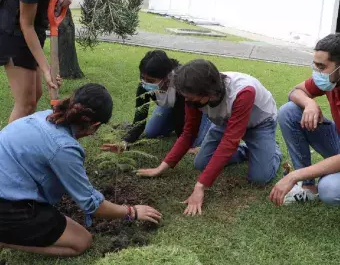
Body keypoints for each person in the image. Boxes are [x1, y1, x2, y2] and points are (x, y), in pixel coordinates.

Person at [0, 83, 161, 257]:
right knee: (81, 241)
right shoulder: (63, 147)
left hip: (7, 186)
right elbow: (92, 205)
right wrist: (132, 212)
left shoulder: (45, 116)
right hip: (7, 206)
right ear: (95, 124)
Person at [137, 59, 282, 215]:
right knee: (201, 163)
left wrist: (200, 186)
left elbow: (230, 141)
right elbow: (189, 132)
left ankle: (274, 151)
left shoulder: (243, 92)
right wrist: (162, 166)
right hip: (224, 121)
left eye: (192, 99)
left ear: (209, 93)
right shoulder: (192, 93)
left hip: (259, 123)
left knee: (259, 178)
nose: (187, 101)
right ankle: (247, 151)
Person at [0, 0, 83, 123]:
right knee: (26, 103)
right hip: (13, 34)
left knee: (34, 97)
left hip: (30, 34)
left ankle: (19, 146)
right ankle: (6, 151)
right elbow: (25, 23)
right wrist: (47, 69)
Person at [270, 34, 340, 206]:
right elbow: (295, 92)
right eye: (315, 64)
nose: (316, 71)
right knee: (289, 112)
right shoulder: (333, 79)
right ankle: (307, 188)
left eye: (321, 66)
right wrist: (309, 103)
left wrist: (296, 174)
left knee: (330, 189)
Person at [101, 50, 212, 153]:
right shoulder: (144, 86)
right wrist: (125, 142)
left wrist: (184, 143)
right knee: (151, 132)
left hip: (198, 108)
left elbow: (181, 114)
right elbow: (140, 118)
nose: (145, 82)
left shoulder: (182, 83)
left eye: (150, 80)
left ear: (166, 77)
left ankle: (207, 125)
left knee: (196, 142)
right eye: (142, 77)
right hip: (170, 107)